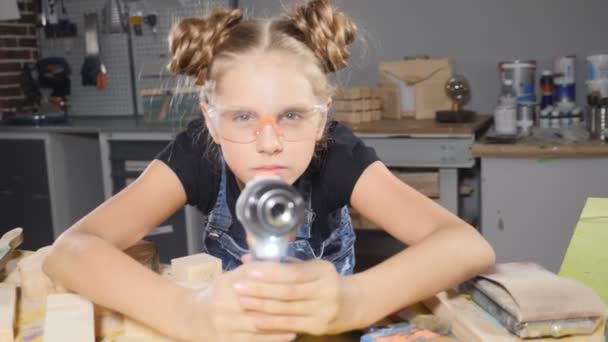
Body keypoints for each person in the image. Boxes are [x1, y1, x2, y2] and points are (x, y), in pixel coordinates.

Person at [43, 1, 495, 341]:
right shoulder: (198, 155)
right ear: (211, 120)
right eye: (242, 117)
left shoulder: (338, 154)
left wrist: (355, 301)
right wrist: (188, 313)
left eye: (293, 116)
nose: (269, 141)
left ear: (321, 119)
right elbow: (72, 250)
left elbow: (466, 245)